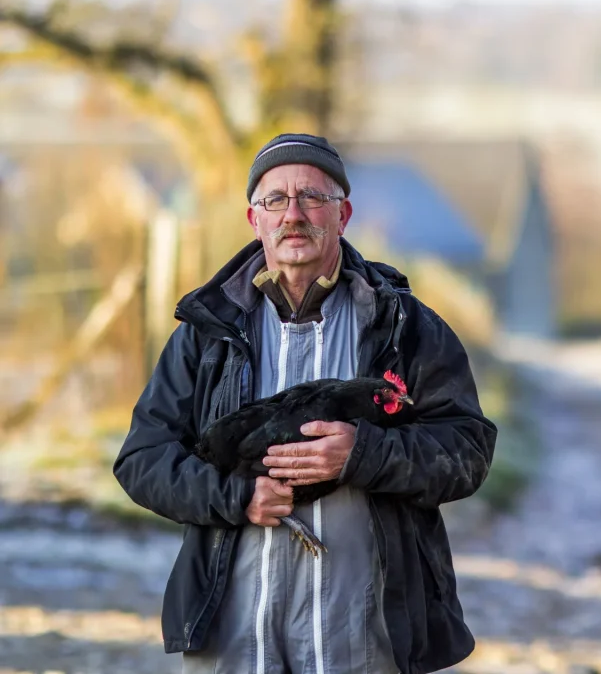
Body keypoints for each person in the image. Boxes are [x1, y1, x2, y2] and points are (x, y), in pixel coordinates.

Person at [113, 133, 497, 674]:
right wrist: (236, 496)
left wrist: (363, 454)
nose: (294, 214)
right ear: (255, 219)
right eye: (276, 200)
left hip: (364, 635)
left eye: (313, 197)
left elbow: (467, 451)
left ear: (343, 215)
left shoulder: (404, 329)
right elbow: (142, 459)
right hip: (233, 632)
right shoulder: (207, 333)